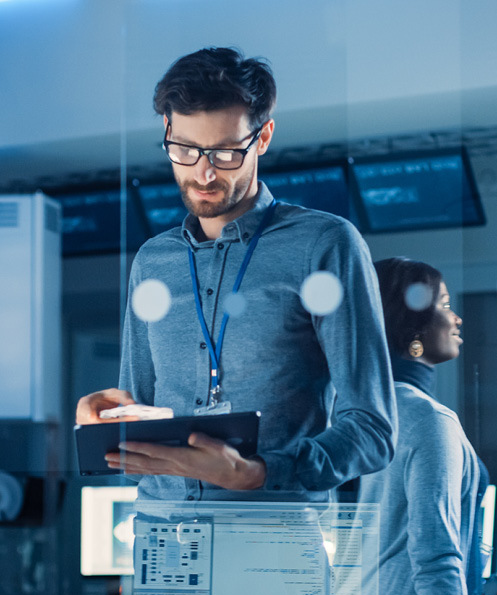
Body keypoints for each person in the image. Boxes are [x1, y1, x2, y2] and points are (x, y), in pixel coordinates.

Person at [76, 47, 397, 503]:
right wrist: (108, 420)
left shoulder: (324, 245)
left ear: (262, 137)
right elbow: (140, 431)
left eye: (226, 152)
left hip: (272, 543)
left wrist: (259, 472)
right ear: (167, 131)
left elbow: (372, 430)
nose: (203, 172)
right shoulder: (152, 261)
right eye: (185, 149)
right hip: (163, 541)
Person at [358, 256, 497, 595]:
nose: (456, 319)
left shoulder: (366, 414)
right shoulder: (429, 421)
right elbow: (437, 561)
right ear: (413, 328)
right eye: (442, 305)